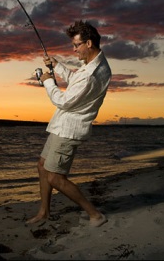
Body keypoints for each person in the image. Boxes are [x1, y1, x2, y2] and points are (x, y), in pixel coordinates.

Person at [27, 20, 111, 227]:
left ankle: (95, 215)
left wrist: (47, 80)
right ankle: (44, 212)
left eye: (77, 45)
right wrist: (57, 67)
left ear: (89, 43)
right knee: (42, 165)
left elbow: (63, 100)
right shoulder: (96, 63)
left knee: (55, 177)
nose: (74, 50)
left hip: (68, 130)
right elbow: (76, 81)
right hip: (61, 125)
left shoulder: (91, 75)